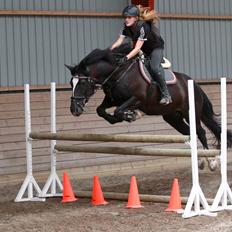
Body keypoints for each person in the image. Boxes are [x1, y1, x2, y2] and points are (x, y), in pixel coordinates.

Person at [110, 4, 172, 105]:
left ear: (136, 18)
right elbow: (118, 42)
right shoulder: (126, 27)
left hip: (156, 48)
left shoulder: (143, 27)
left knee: (154, 68)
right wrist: (109, 51)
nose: (126, 19)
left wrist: (126, 58)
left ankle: (166, 95)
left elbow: (137, 48)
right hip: (145, 50)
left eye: (129, 17)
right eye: (125, 17)